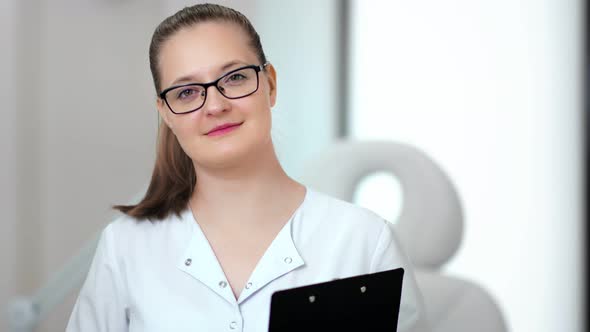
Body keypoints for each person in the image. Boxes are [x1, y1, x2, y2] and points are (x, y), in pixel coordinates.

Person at [66, 3, 427, 332]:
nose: (215, 105)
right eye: (187, 92)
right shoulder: (126, 245)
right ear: (166, 114)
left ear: (269, 84)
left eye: (235, 77)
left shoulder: (363, 241)